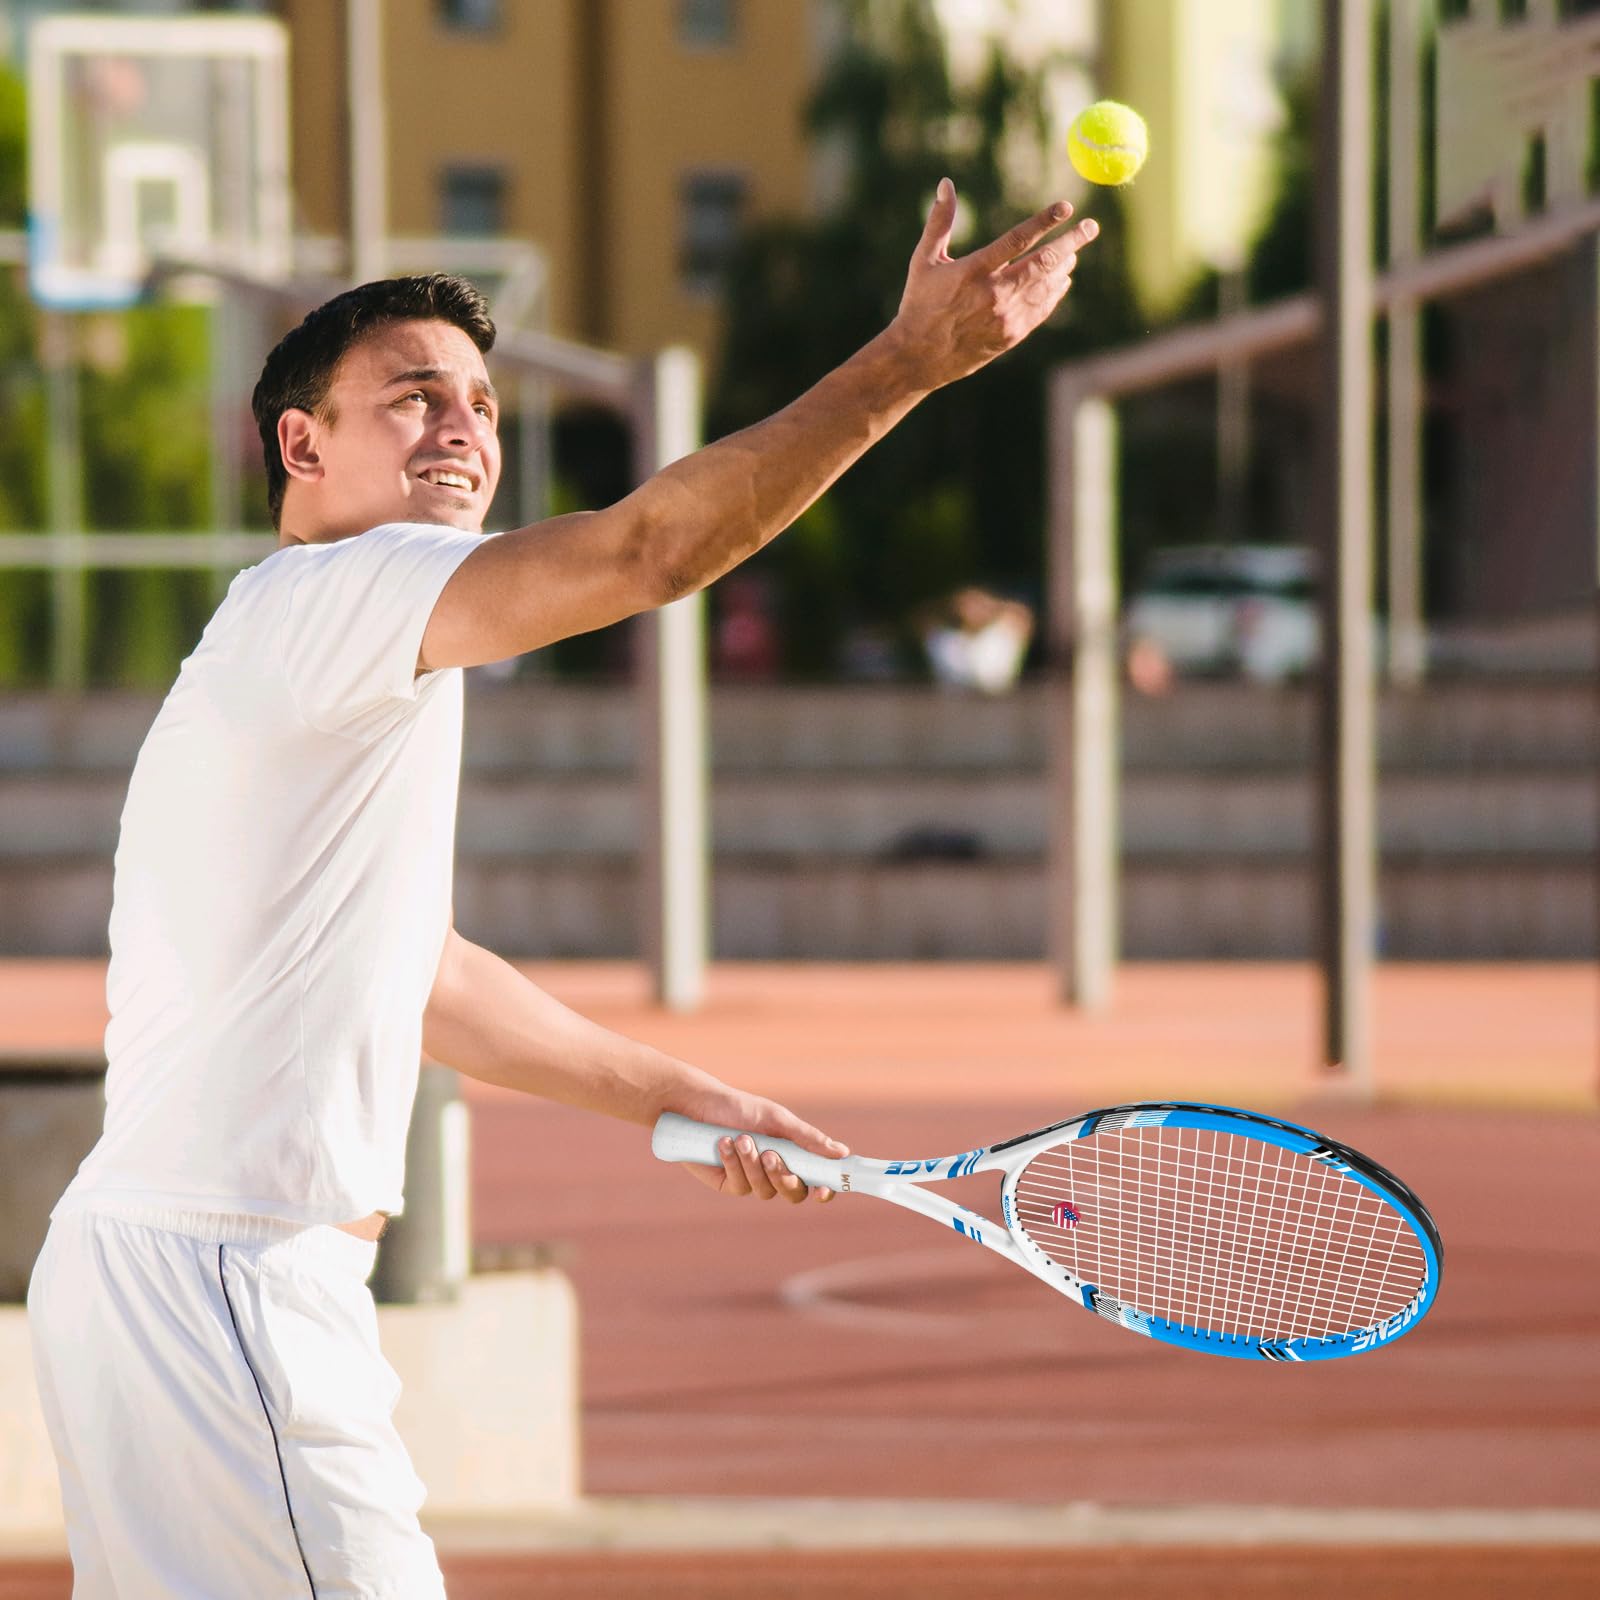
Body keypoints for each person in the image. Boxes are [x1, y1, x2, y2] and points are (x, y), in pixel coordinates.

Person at [26, 177, 1097, 1595]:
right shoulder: (345, 595)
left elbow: (421, 971)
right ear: (302, 442)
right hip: (228, 1283)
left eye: (477, 401)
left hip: (169, 1275)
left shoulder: (316, 645)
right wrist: (907, 362)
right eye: (413, 396)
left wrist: (674, 1091)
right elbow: (655, 547)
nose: (464, 427)